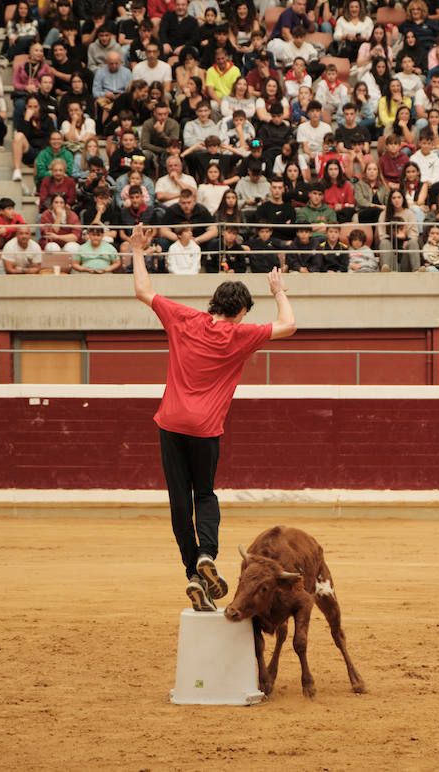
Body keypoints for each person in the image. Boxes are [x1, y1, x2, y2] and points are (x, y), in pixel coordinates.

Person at [129, 223, 296, 611]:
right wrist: (279, 291)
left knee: (179, 502)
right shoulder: (240, 335)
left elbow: (143, 290)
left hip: (171, 424)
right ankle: (207, 553)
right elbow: (289, 325)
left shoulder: (184, 318)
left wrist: (137, 250)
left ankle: (194, 574)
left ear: (213, 303)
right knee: (204, 494)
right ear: (241, 312)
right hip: (205, 429)